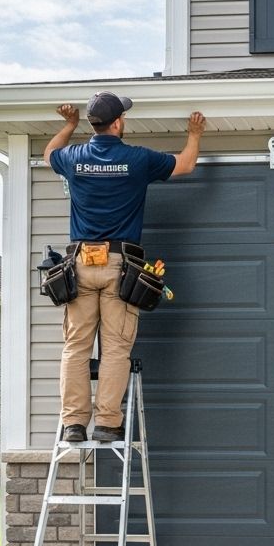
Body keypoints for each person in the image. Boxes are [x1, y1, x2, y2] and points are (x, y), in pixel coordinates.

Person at [44, 91, 206, 443]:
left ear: (94, 124)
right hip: (120, 266)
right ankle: (106, 423)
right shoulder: (136, 159)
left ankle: (74, 424)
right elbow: (186, 165)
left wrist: (69, 125)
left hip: (81, 264)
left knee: (76, 347)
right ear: (118, 122)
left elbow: (49, 154)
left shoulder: (73, 157)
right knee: (116, 348)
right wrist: (194, 134)